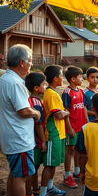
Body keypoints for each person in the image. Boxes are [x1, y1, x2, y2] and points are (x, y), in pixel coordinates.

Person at [0, 44, 40, 196]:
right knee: (22, 176)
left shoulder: (6, 78)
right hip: (19, 139)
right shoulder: (15, 83)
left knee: (15, 173)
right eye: (30, 60)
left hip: (11, 135)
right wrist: (36, 113)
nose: (31, 63)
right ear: (21, 62)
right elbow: (23, 110)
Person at [39, 65, 69, 196]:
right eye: (61, 76)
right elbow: (58, 115)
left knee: (54, 163)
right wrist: (66, 113)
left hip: (59, 133)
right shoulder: (50, 94)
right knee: (49, 164)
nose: (63, 78)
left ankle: (50, 187)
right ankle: (43, 192)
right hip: (53, 133)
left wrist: (64, 113)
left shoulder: (54, 92)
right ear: (55, 78)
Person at [62, 66, 88, 188]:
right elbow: (66, 112)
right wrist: (69, 128)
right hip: (72, 127)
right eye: (80, 77)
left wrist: (87, 123)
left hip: (82, 127)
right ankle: (67, 175)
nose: (82, 79)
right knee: (70, 150)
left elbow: (84, 109)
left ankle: (77, 171)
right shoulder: (67, 93)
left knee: (79, 149)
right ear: (73, 79)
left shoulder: (81, 91)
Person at [25, 72, 47, 196]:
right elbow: (38, 124)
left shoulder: (30, 100)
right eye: (43, 84)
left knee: (34, 168)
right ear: (36, 88)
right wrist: (43, 141)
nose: (45, 86)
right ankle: (29, 192)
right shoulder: (36, 102)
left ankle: (35, 188)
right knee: (34, 168)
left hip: (32, 138)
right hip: (36, 139)